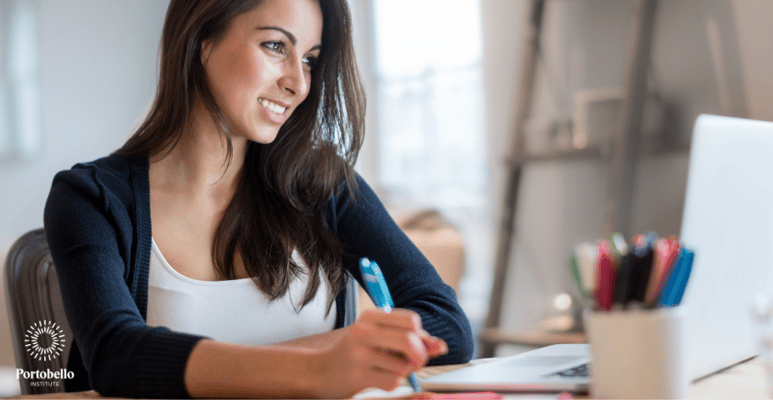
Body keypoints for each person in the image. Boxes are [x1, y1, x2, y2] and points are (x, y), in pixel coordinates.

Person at [43, 0, 473, 398]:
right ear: (202, 39)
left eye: (309, 59)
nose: (298, 83)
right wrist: (319, 368)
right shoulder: (89, 198)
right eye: (275, 46)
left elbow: (447, 324)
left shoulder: (322, 182)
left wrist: (320, 363)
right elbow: (115, 355)